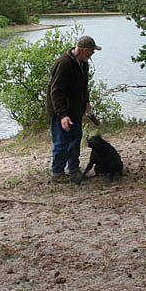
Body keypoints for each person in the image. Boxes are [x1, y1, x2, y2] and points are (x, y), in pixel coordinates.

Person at [46, 35, 102, 183]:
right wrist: (63, 115)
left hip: (76, 110)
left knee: (75, 141)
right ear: (84, 50)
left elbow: (83, 87)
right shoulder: (64, 63)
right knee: (61, 143)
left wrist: (87, 102)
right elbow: (56, 91)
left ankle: (73, 170)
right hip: (61, 111)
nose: (92, 55)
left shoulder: (83, 63)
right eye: (92, 52)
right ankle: (57, 173)